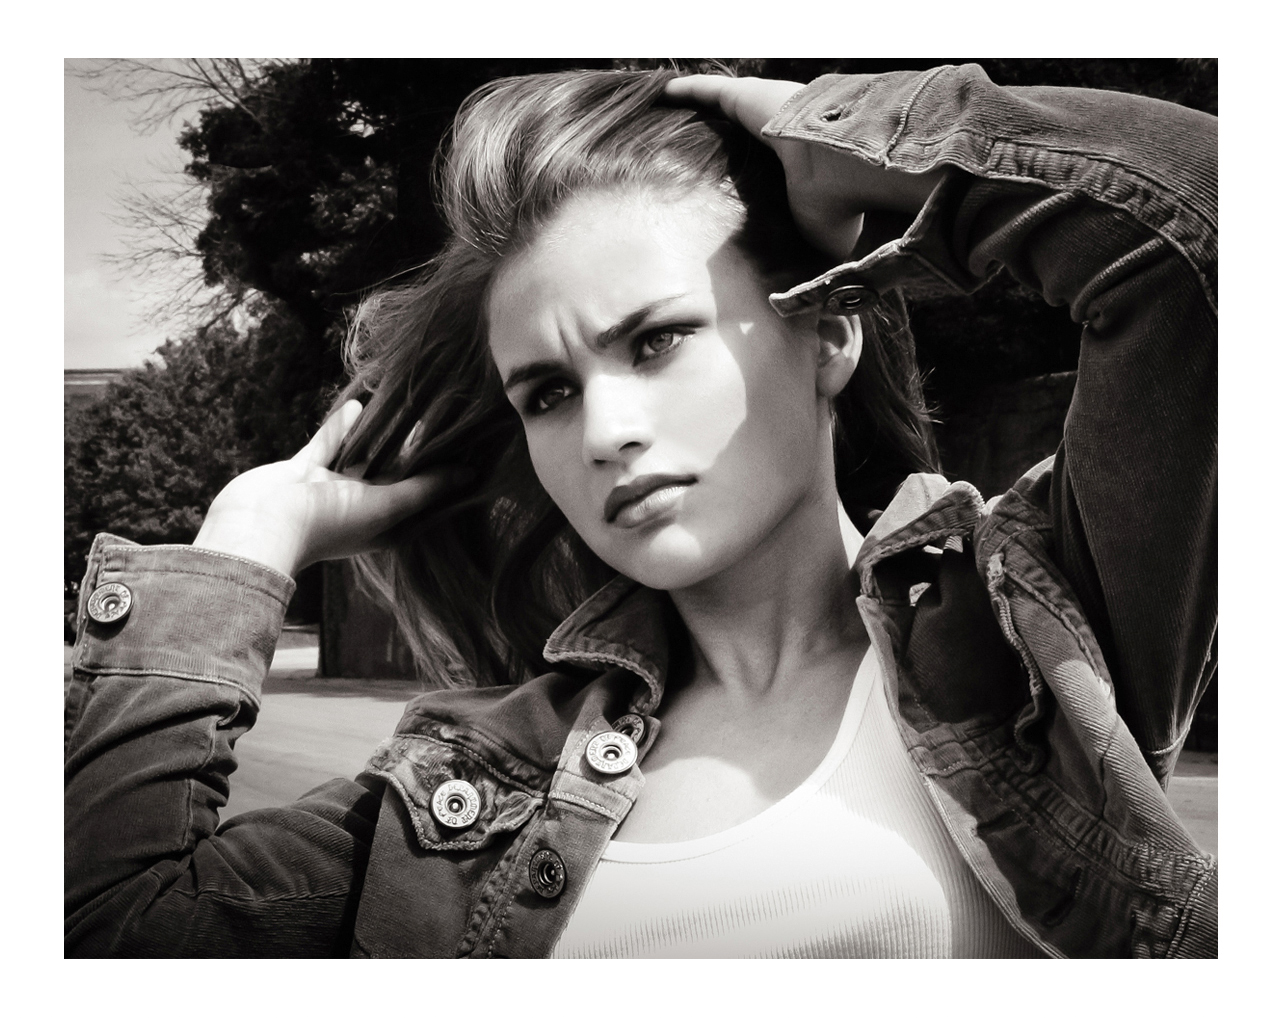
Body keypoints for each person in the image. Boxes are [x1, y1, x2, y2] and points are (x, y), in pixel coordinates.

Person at [64, 64, 1217, 958]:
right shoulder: (471, 784)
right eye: (549, 393)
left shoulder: (1035, 631)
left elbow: (1205, 236)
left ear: (830, 329)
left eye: (658, 339)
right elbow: (108, 928)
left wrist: (861, 138)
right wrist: (257, 528)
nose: (604, 428)